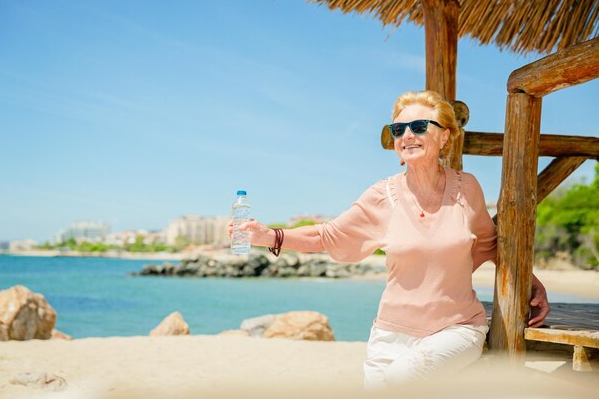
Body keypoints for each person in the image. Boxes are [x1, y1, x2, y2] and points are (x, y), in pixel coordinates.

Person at [232, 90, 550, 386]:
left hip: (457, 329)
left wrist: (529, 280)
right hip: (389, 337)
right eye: (398, 130)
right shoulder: (381, 196)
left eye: (419, 126)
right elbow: (326, 235)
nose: (407, 135)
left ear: (445, 136)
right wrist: (268, 235)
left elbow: (489, 243)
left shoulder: (467, 188)